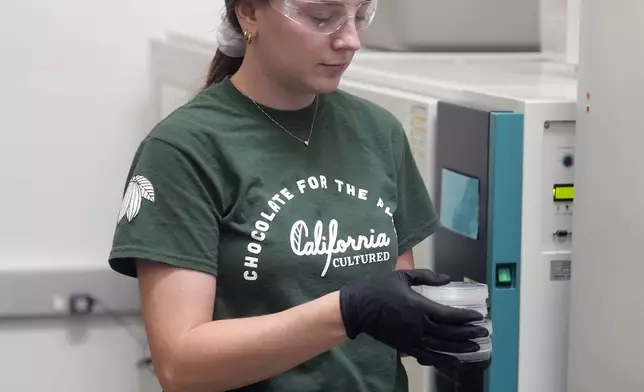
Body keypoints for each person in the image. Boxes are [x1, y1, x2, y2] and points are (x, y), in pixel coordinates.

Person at [108, 0, 490, 391]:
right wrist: (348, 311)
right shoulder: (184, 149)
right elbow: (181, 366)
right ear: (250, 12)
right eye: (321, 17)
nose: (351, 40)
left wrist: (433, 329)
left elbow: (389, 308)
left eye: (359, 16)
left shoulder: (378, 132)